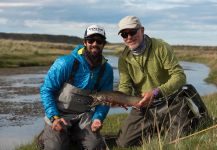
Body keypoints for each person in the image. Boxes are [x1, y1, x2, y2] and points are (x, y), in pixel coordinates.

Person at [115, 16, 196, 147]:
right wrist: (120, 98)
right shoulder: (123, 58)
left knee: (176, 141)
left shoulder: (161, 47)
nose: (129, 37)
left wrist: (156, 92)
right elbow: (125, 86)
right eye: (124, 34)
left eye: (132, 32)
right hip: (143, 106)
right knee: (123, 143)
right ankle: (155, 126)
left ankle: (183, 116)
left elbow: (180, 76)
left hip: (171, 101)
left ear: (142, 30)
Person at [40, 24, 113, 150]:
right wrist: (54, 117)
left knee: (95, 146)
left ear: (103, 44)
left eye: (99, 41)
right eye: (91, 40)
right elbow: (47, 90)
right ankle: (45, 137)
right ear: (85, 42)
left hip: (84, 116)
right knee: (55, 148)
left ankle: (71, 136)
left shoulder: (106, 70)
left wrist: (98, 118)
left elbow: (105, 100)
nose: (95, 44)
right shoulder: (65, 63)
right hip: (59, 114)